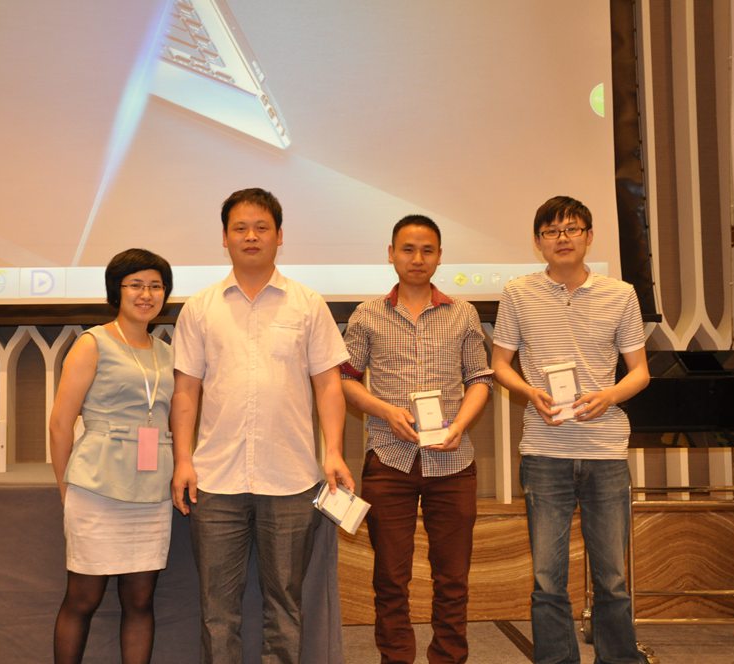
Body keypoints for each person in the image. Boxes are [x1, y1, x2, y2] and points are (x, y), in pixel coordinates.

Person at [170, 187, 354, 662]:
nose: (251, 236)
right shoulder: (201, 307)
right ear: (225, 238)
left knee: (285, 607)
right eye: (240, 228)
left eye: (261, 227)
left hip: (291, 478)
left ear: (279, 236)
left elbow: (328, 386)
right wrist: (183, 460)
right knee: (217, 611)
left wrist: (333, 451)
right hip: (215, 480)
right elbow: (186, 391)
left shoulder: (307, 304)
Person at [491, 196, 650, 664]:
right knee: (547, 578)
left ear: (589, 236)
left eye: (572, 229)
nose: (562, 238)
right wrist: (530, 392)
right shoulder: (518, 293)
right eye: (552, 231)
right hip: (544, 451)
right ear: (538, 241)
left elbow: (640, 372)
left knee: (612, 578)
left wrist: (608, 396)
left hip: (605, 451)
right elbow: (499, 364)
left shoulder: (620, 294)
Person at [340, 215, 492, 663]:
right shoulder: (367, 314)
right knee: (390, 577)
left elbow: (480, 379)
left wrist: (459, 424)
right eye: (407, 249)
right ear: (391, 254)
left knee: (453, 578)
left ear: (439, 256)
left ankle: (448, 657)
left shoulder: (463, 313)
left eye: (427, 250)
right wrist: (385, 411)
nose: (417, 258)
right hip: (389, 459)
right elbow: (345, 380)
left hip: (453, 462)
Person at [49, 248, 176, 664]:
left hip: (151, 490)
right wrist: (65, 488)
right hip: (97, 488)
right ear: (116, 291)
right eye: (135, 285)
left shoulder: (166, 352)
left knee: (140, 600)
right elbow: (60, 423)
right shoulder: (93, 343)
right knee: (82, 598)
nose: (146, 294)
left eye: (155, 286)